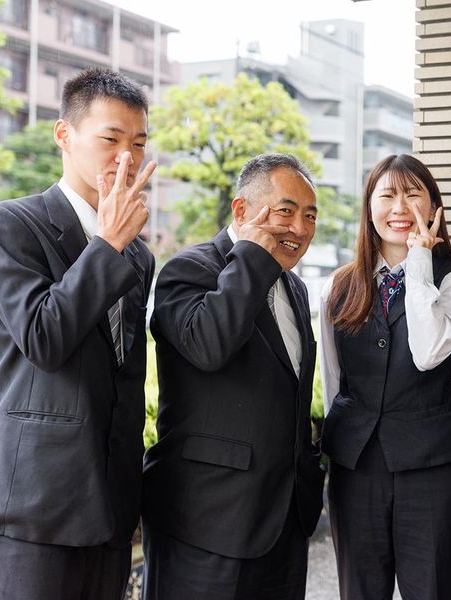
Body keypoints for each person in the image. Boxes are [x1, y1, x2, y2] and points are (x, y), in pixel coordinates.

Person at [0, 68, 156, 600]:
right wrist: (107, 244)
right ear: (64, 135)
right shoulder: (10, 225)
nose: (128, 157)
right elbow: (44, 339)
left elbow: (124, 374)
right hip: (35, 504)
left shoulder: (138, 255)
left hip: (113, 506)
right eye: (111, 140)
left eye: (139, 143)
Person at [141, 153, 325, 600]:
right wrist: (252, 258)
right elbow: (209, 345)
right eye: (285, 211)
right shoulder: (189, 270)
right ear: (242, 211)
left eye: (310, 216)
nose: (299, 229)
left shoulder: (295, 288)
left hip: (284, 521)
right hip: (206, 521)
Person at [319, 154, 451, 600]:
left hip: (431, 470)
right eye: (387, 195)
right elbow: (335, 381)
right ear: (369, 207)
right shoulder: (339, 286)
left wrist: (420, 259)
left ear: (433, 206)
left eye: (413, 194)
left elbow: (428, 353)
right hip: (357, 468)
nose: (399, 208)